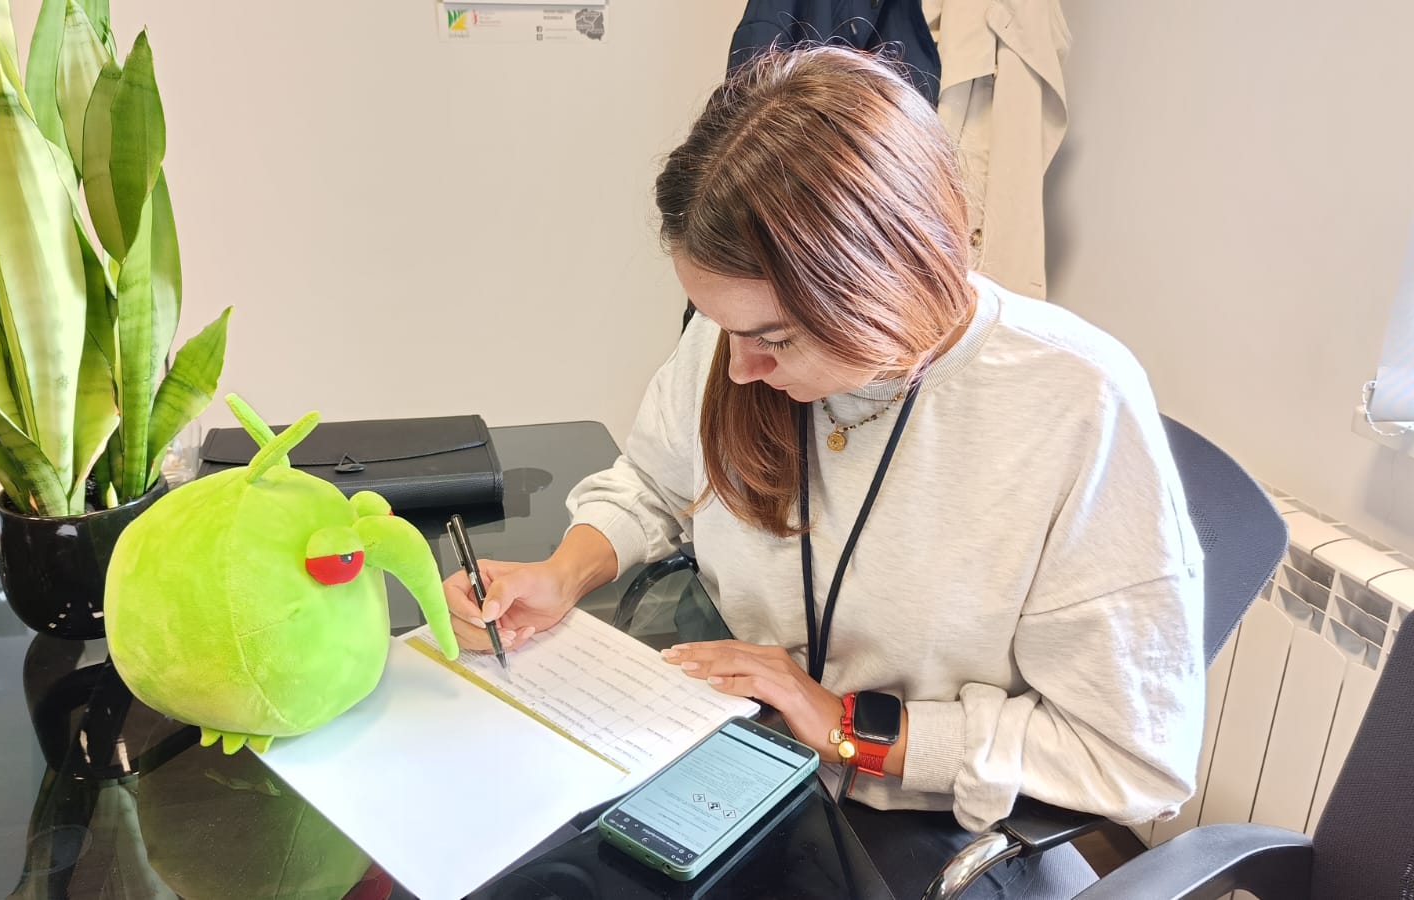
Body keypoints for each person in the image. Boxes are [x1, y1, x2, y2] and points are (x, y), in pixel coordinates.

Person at [443, 46, 1204, 898]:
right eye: (722, 328)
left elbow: (1131, 758)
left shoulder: (1075, 403)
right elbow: (655, 483)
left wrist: (850, 725)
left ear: (883, 283)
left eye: (774, 339)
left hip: (927, 831)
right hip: (738, 771)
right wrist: (561, 573)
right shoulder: (739, 338)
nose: (738, 371)